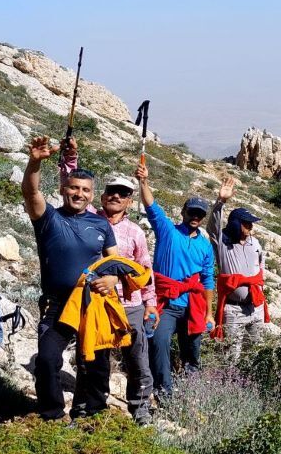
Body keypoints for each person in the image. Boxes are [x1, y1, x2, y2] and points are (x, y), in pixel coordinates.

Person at [58, 141, 157, 424]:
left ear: (129, 201)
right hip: (96, 305)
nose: (116, 196)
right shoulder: (86, 220)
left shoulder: (135, 232)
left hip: (130, 305)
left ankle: (140, 409)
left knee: (137, 360)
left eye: (123, 193)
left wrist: (151, 304)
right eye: (112, 191)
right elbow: (69, 184)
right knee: (93, 359)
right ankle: (89, 409)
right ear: (101, 196)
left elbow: (144, 270)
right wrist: (70, 157)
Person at [23, 136, 120, 420]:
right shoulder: (49, 218)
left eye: (86, 190)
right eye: (74, 188)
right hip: (57, 305)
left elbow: (114, 260)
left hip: (93, 304)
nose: (79, 194)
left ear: (92, 195)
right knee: (47, 360)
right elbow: (30, 193)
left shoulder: (101, 223)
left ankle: (90, 414)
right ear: (64, 189)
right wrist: (35, 162)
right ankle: (51, 414)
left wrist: (113, 279)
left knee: (96, 363)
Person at [135, 159, 215, 397]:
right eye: (192, 212)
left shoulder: (205, 245)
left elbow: (207, 279)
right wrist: (144, 181)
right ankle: (164, 392)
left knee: (192, 349)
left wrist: (209, 312)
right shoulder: (167, 231)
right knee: (159, 343)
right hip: (167, 304)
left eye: (200, 214)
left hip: (192, 303)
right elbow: (151, 206)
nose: (195, 217)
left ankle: (191, 391)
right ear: (183, 212)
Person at [208, 176, 267, 361]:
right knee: (231, 358)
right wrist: (221, 201)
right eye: (246, 223)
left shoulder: (254, 242)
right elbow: (212, 227)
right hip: (234, 311)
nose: (250, 226)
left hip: (255, 308)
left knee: (255, 356)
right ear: (235, 223)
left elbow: (260, 269)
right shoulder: (223, 243)